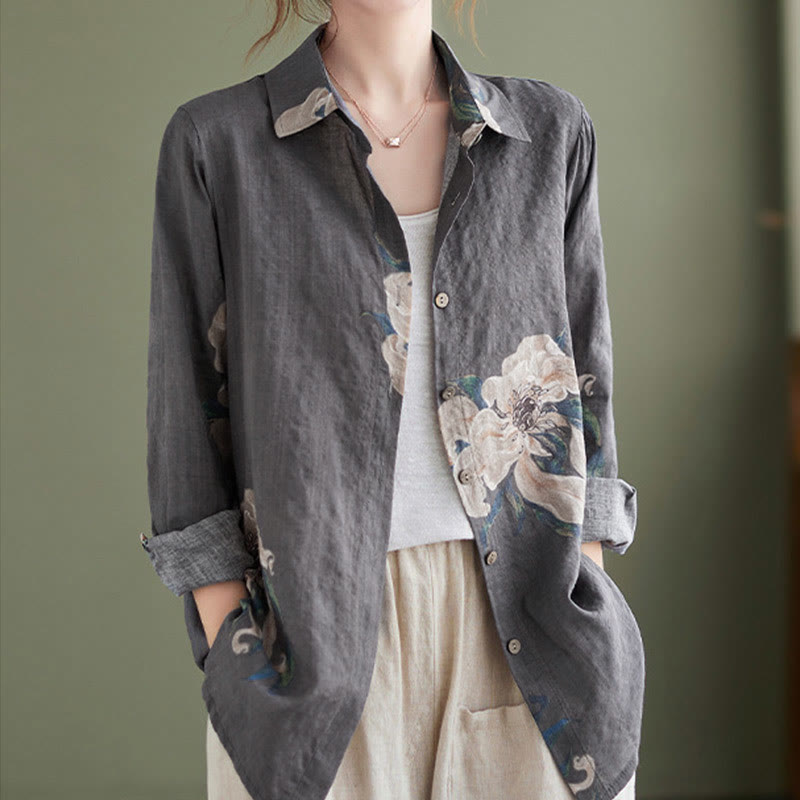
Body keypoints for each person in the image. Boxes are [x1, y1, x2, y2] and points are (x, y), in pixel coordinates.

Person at [139, 2, 645, 799]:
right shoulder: (219, 144)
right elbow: (186, 418)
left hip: (530, 627)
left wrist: (581, 580)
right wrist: (237, 653)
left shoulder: (549, 135)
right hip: (306, 649)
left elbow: (587, 387)